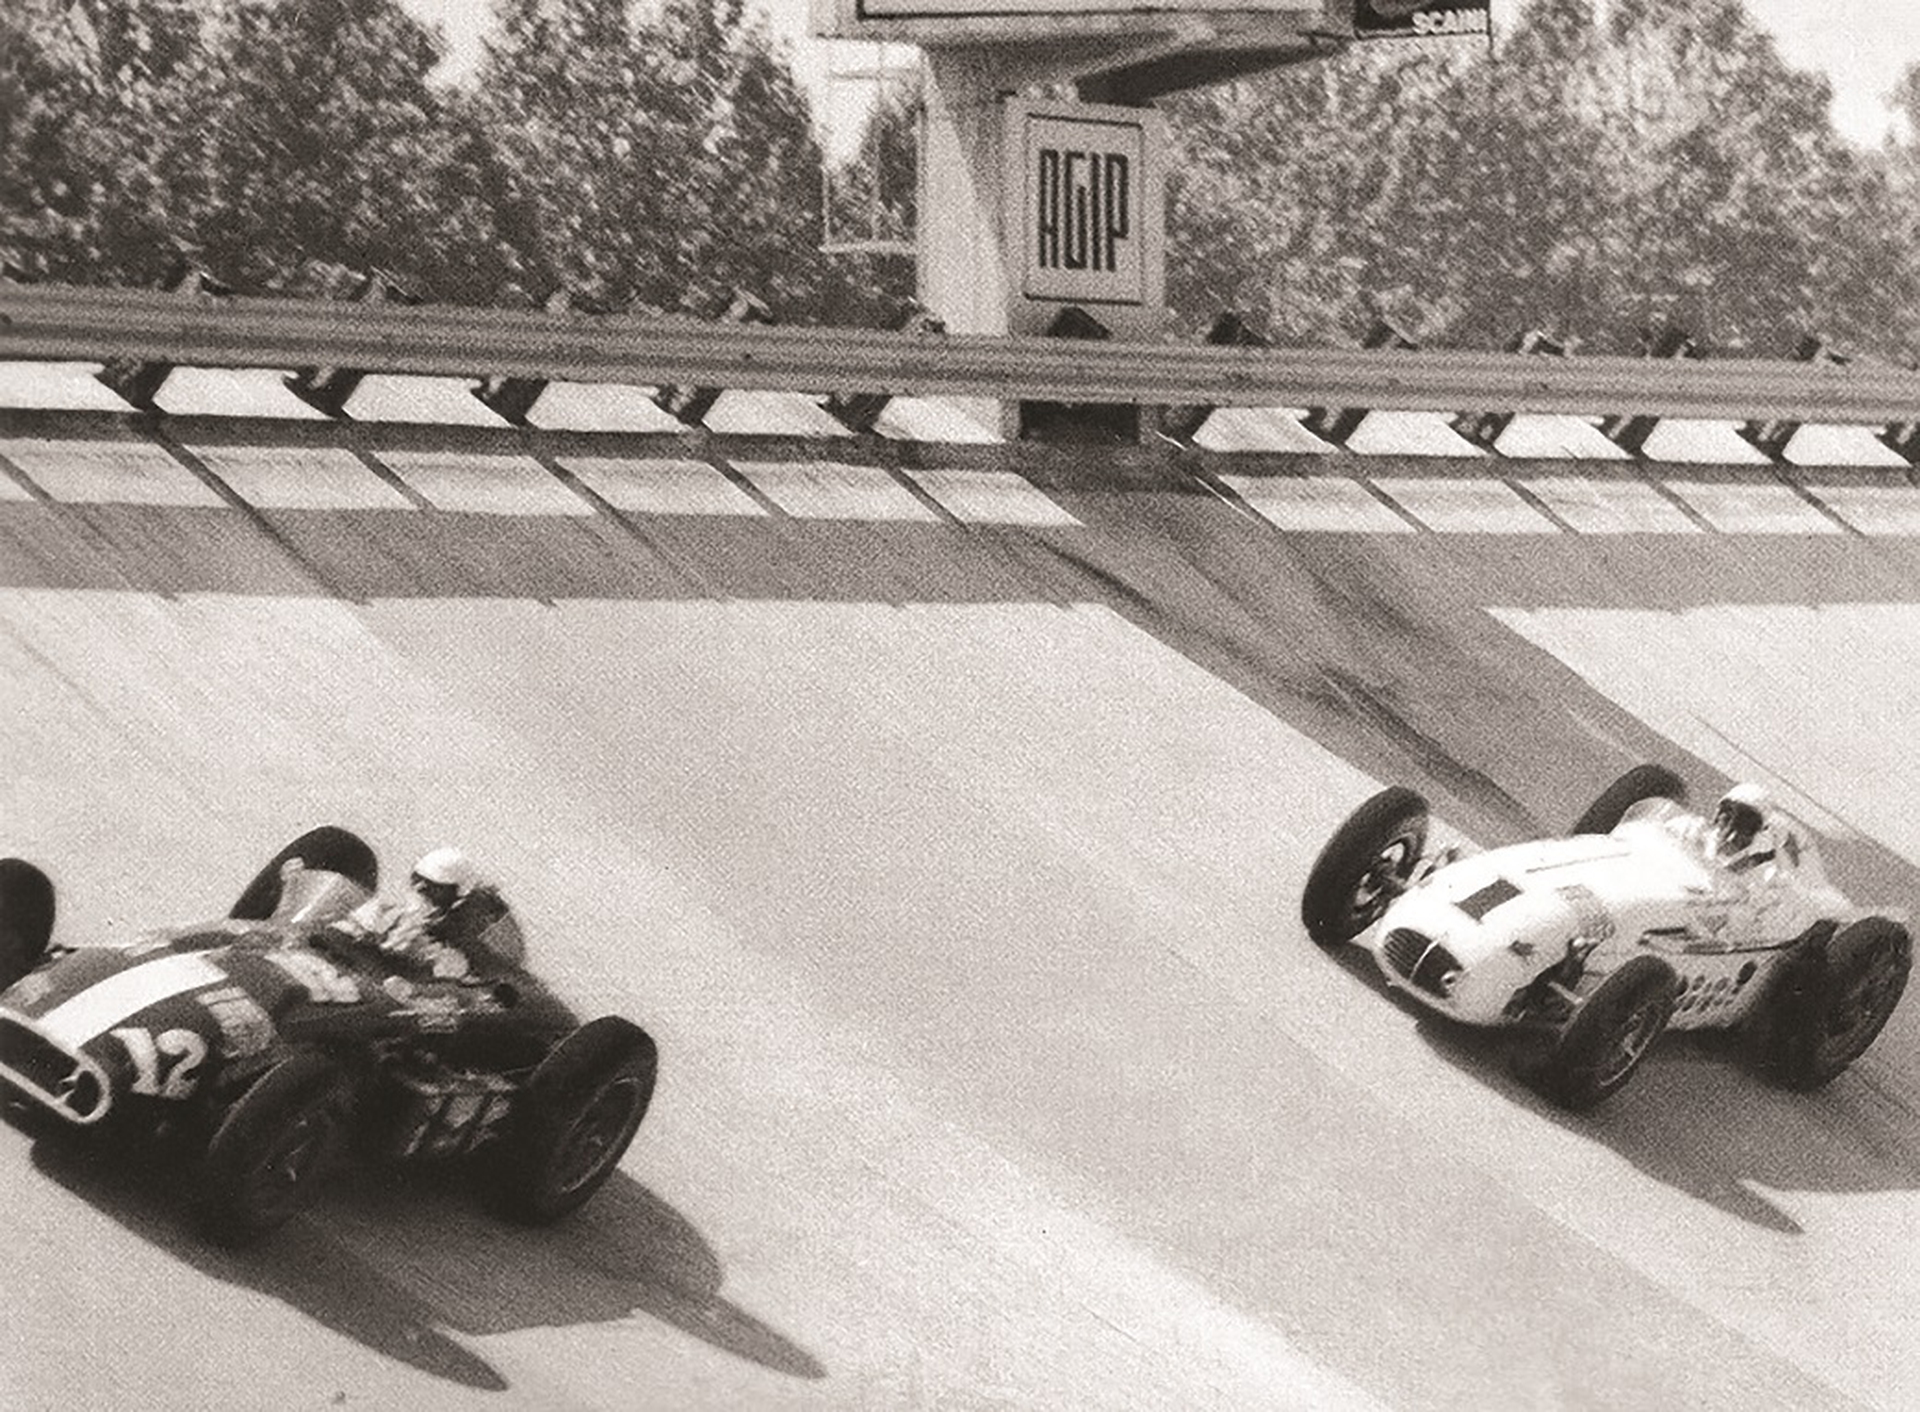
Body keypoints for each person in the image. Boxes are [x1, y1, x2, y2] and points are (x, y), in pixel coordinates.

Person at [333, 846, 488, 980]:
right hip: (355, 960)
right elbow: (347, 930)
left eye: (433, 885)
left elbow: (451, 965)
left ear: (456, 891)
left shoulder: (463, 923)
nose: (420, 887)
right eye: (417, 879)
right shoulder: (394, 904)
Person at [1708, 783, 1778, 875]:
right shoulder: (1689, 836)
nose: (1730, 837)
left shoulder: (1754, 875)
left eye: (1744, 826)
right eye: (1728, 818)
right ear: (1717, 816)